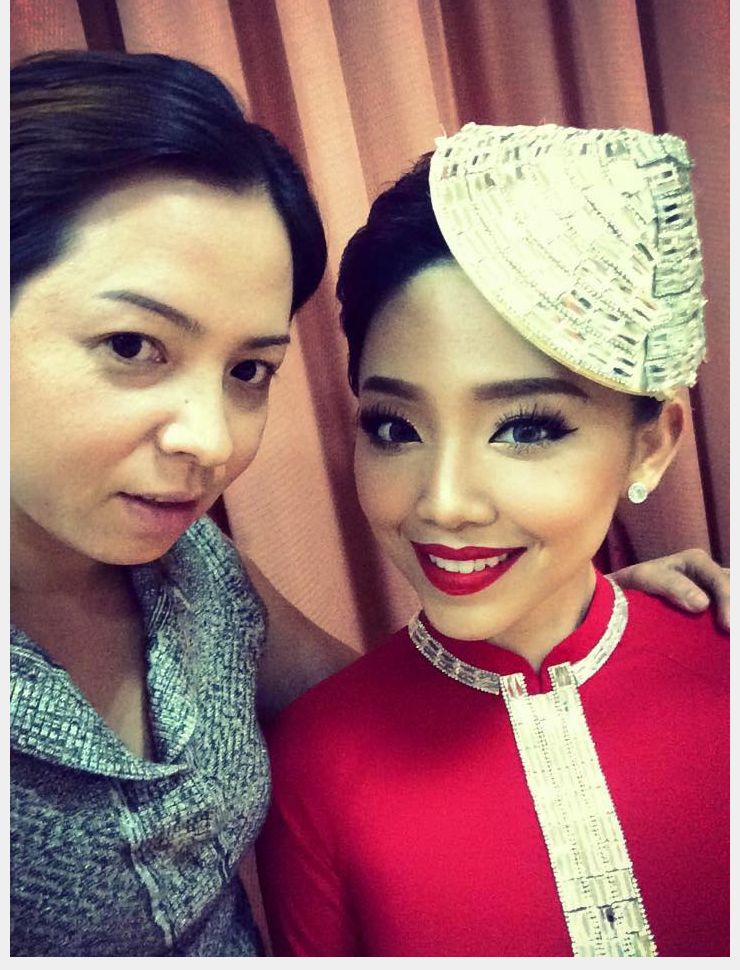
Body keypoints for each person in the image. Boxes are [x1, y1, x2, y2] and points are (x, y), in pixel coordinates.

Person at [9, 50, 727, 957]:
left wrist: (589, 615)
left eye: (249, 370)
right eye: (131, 344)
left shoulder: (195, 574)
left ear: (653, 442)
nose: (213, 441)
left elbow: (386, 708)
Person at [257, 124, 729, 957]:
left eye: (526, 428)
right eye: (394, 426)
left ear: (651, 445)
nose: (444, 503)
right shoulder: (316, 764)